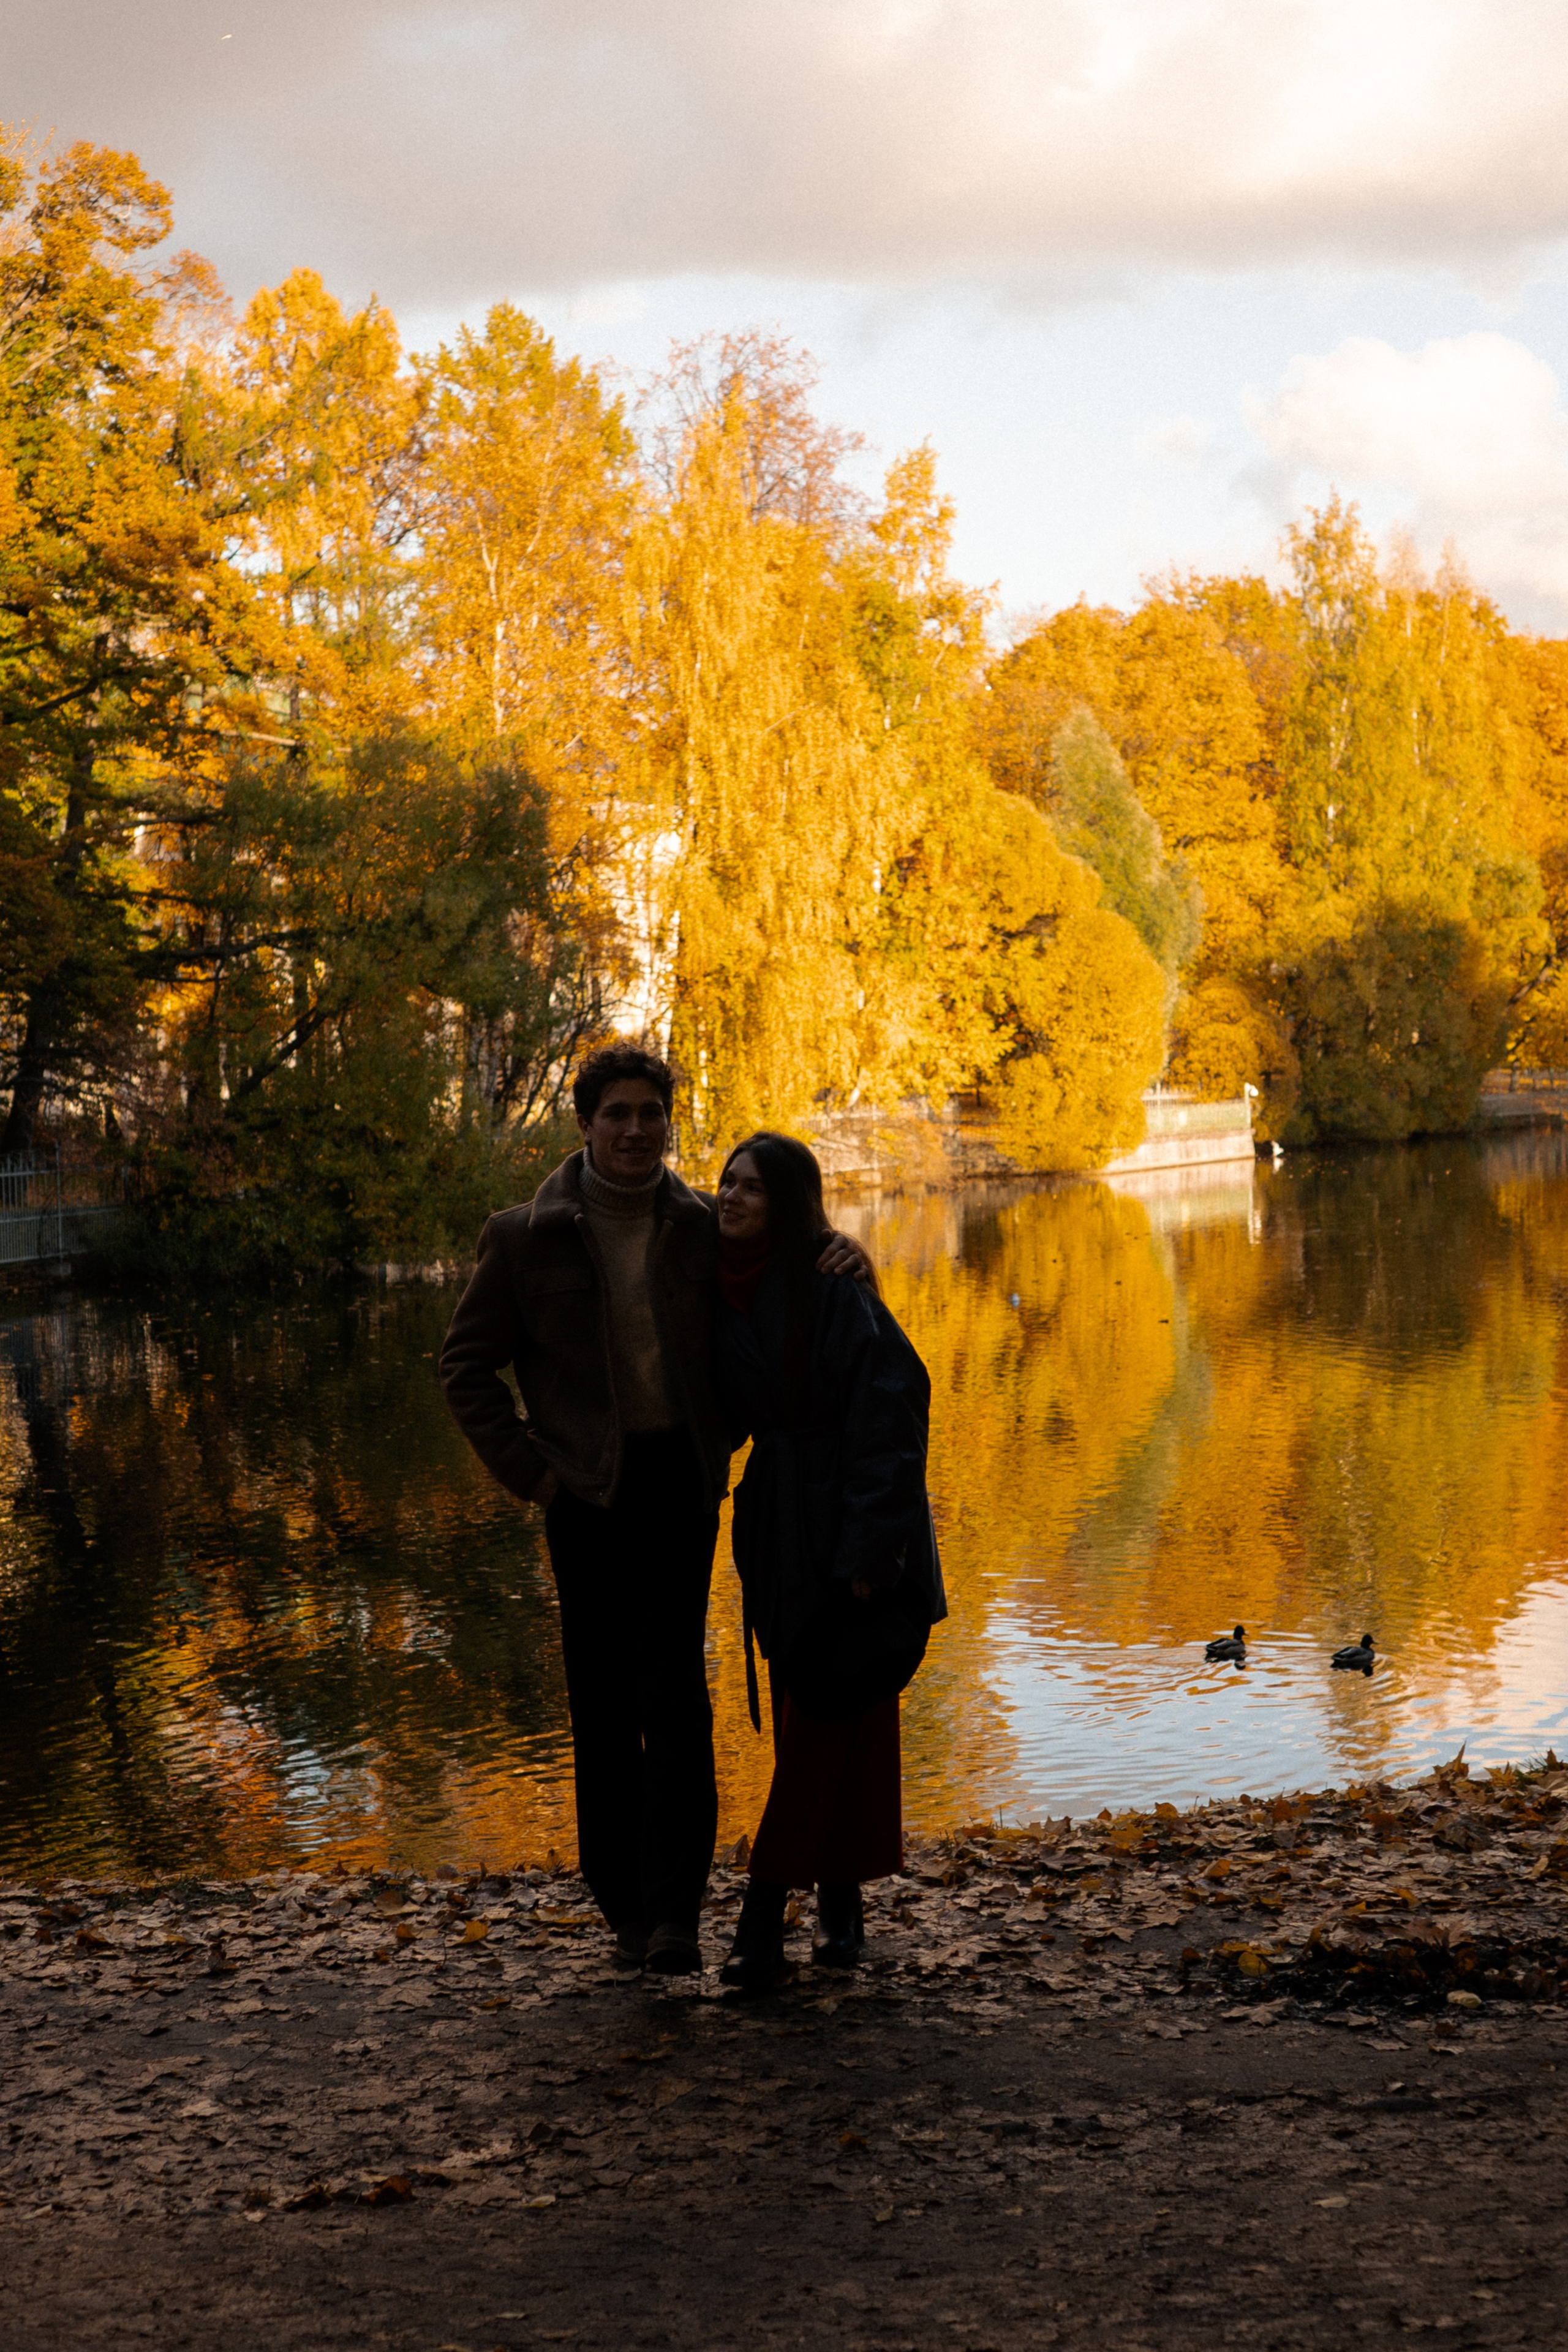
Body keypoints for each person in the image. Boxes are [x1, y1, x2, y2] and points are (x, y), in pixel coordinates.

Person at [438, 1043, 865, 1977]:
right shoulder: (523, 1236)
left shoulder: (702, 1224)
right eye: (618, 1114)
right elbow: (464, 1369)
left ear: (669, 1125)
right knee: (601, 1698)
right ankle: (624, 1900)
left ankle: (676, 1913)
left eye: (650, 1115)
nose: (636, 1131)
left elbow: (787, 1268)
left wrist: (846, 1253)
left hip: (679, 1484)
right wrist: (533, 1475)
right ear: (585, 1124)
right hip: (581, 1490)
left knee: (676, 1691)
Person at [712, 1131, 946, 1994]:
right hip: (779, 1527)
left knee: (833, 1712)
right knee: (820, 1709)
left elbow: (894, 1408)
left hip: (849, 1525)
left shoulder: (832, 1287)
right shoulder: (714, 1283)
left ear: (792, 1205)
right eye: (726, 1182)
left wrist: (868, 1553)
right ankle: (842, 1904)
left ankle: (762, 1918)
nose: (732, 1197)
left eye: (753, 1188)